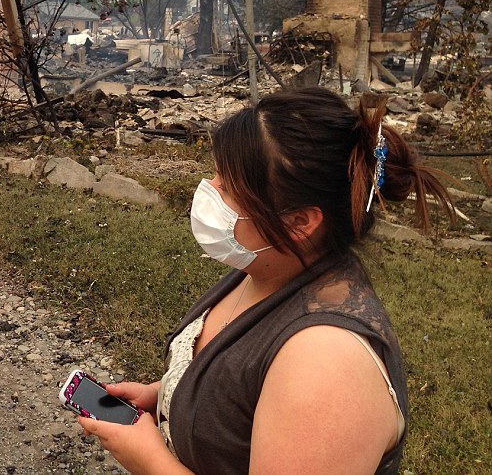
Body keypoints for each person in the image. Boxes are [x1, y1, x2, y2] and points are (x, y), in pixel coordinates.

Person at [78, 87, 455, 475]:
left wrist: (148, 459)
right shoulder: (268, 271)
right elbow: (247, 383)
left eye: (229, 187)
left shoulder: (327, 366)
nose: (209, 190)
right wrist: (168, 394)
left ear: (298, 224)